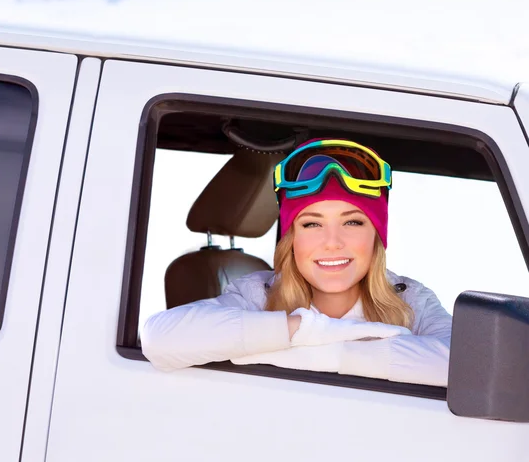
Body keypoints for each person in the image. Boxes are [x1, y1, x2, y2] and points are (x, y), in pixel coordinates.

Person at [141, 139, 452, 387]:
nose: (332, 242)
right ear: (292, 238)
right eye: (311, 224)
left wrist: (294, 350)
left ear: (376, 236)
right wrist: (306, 331)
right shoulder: (258, 294)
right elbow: (160, 338)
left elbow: (466, 367)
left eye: (353, 223)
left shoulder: (410, 300)